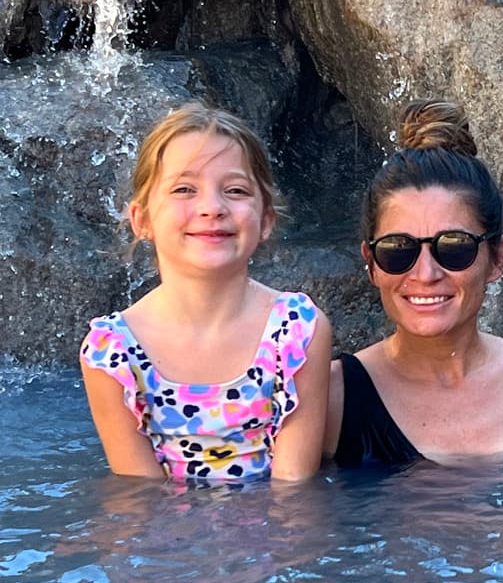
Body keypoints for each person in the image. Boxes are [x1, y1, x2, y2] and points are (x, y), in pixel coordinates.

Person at [325, 99, 503, 469]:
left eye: (454, 247)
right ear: (371, 264)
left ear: (497, 258)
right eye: (399, 250)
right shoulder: (331, 401)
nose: (426, 273)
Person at [79, 102, 331, 482]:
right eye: (184, 189)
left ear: (265, 220)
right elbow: (139, 499)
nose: (212, 207)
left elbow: (293, 494)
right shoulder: (111, 353)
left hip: (272, 536)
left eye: (235, 190)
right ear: (142, 219)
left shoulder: (297, 332)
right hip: (165, 538)